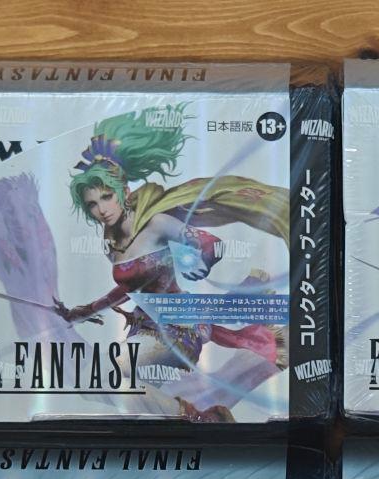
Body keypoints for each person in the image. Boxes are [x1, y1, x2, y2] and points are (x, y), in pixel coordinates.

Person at [55, 108, 290, 420]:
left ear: (124, 192)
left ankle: (195, 418)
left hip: (177, 329)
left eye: (106, 197)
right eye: (92, 204)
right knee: (107, 388)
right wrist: (84, 311)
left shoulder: (155, 225)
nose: (101, 209)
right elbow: (129, 288)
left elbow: (210, 243)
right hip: (144, 329)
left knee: (96, 376)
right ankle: (202, 416)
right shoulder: (112, 243)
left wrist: (202, 261)